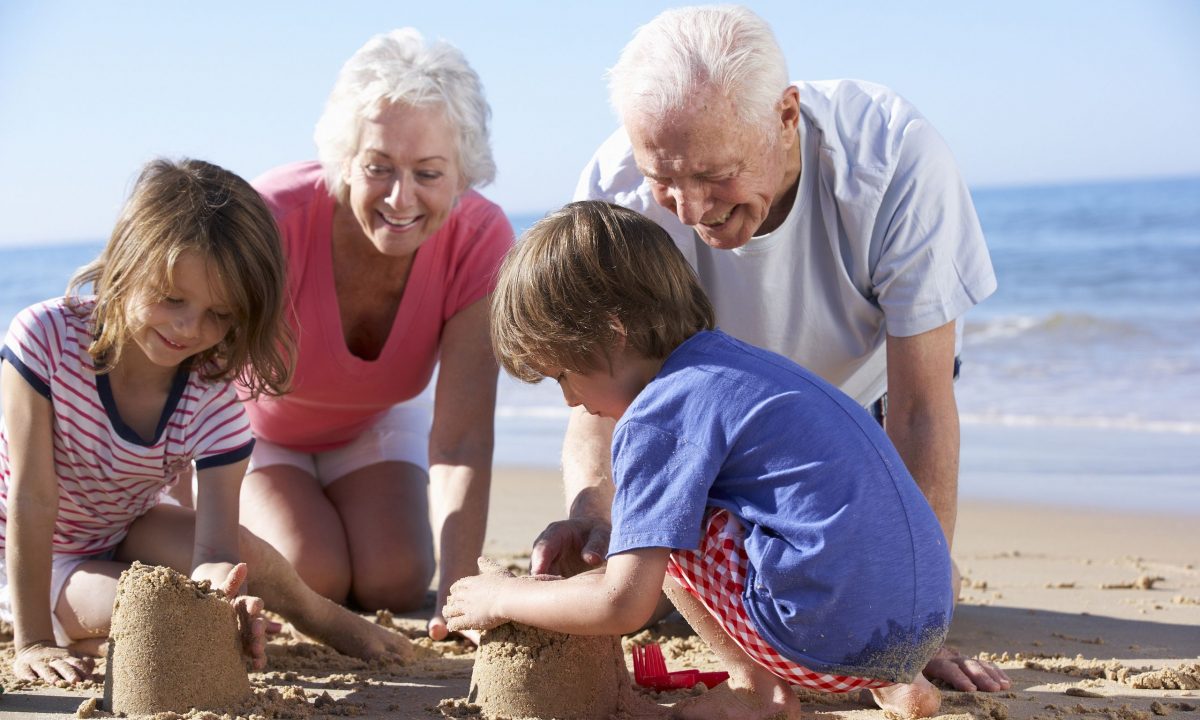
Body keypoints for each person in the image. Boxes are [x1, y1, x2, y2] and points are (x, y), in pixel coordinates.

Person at [538, 5, 1007, 691]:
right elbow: (600, 397)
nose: (691, 209)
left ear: (787, 116)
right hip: (717, 429)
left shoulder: (895, 157)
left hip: (864, 422)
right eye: (665, 178)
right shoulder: (619, 192)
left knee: (901, 596)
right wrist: (591, 518)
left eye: (714, 174)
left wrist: (915, 638)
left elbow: (921, 407)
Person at [446, 201, 952, 720]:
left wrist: (502, 598)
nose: (570, 402)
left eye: (561, 376)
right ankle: (898, 687)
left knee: (662, 524)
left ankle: (757, 689)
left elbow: (622, 604)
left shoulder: (658, 414)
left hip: (822, 638)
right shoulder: (737, 365)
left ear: (611, 335)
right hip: (922, 629)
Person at [0, 158, 414, 685]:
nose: (189, 329)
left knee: (240, 562)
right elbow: (31, 499)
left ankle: (320, 615)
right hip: (36, 551)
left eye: (219, 315)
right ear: (126, 263)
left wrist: (221, 597)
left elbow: (215, 551)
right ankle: (62, 629)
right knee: (152, 613)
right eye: (172, 299)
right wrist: (30, 642)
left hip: (128, 527)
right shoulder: (45, 339)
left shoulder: (212, 396)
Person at [238, 28, 512, 642]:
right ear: (344, 159)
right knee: (313, 574)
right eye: (378, 168)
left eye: (428, 173)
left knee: (398, 578)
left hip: (371, 424)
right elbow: (193, 377)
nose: (400, 198)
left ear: (463, 171)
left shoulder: (481, 240)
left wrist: (460, 597)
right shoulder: (272, 217)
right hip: (255, 432)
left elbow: (462, 436)